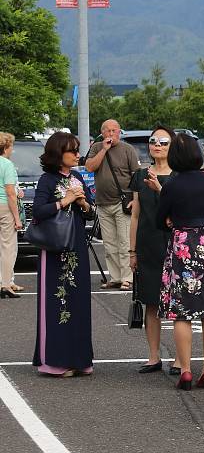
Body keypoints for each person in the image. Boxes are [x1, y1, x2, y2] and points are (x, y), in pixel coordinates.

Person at [157, 133, 204, 391]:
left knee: (182, 313)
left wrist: (171, 220)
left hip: (182, 244)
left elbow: (159, 219)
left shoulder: (172, 185)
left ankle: (186, 370)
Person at [32, 132, 94, 376]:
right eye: (73, 151)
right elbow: (38, 210)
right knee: (57, 301)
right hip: (55, 247)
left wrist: (83, 203)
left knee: (78, 301)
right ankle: (54, 361)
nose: (78, 155)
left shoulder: (78, 176)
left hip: (76, 243)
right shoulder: (47, 180)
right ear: (59, 154)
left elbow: (90, 211)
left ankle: (79, 359)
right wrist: (64, 201)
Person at [129, 127, 182, 375]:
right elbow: (136, 215)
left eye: (163, 141)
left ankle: (180, 359)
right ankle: (153, 356)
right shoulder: (140, 175)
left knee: (178, 302)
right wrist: (132, 251)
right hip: (147, 243)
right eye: (153, 141)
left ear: (172, 146)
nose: (157, 145)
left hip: (175, 244)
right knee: (150, 302)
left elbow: (181, 213)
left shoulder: (180, 176)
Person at [85, 119, 140, 291]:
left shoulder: (127, 149)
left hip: (122, 202)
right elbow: (89, 167)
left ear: (119, 132)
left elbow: (136, 176)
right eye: (107, 130)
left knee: (124, 241)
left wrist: (135, 199)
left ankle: (127, 278)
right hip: (102, 202)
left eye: (114, 130)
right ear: (102, 133)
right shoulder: (96, 147)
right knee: (109, 243)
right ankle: (115, 277)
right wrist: (104, 149)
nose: (111, 134)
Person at [0, 132, 23, 298]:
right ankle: (6, 284)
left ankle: (5, 281)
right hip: (4, 207)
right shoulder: (6, 164)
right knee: (8, 247)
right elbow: (9, 192)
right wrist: (17, 218)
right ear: (6, 147)